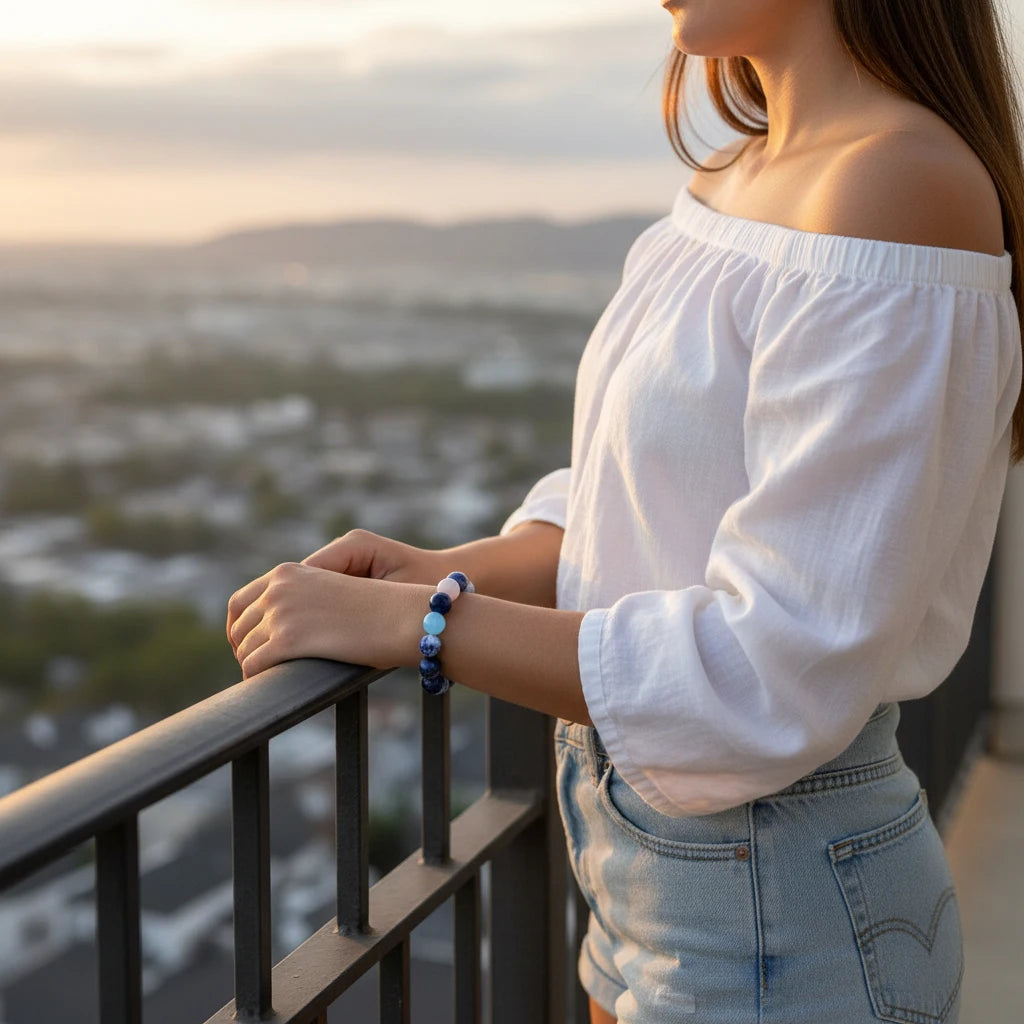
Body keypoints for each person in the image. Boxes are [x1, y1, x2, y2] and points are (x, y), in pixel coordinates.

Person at [226, 0, 1024, 1020]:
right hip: (653, 886)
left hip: (779, 906)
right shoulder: (742, 170)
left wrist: (420, 625)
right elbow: (644, 502)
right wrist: (442, 566)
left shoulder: (896, 184)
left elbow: (775, 659)